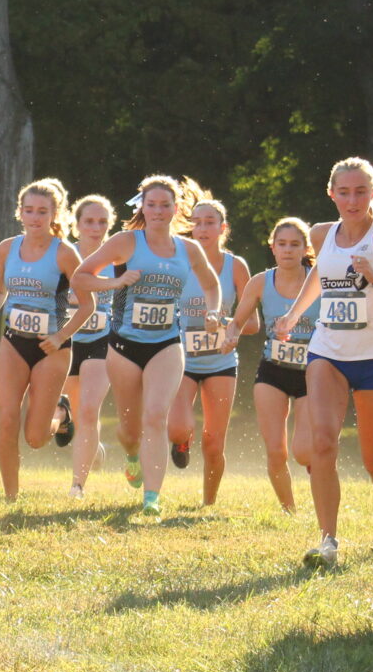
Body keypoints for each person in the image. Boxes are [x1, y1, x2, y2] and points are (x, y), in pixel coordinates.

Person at [276, 158, 373, 567]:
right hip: (327, 351)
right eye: (343, 192)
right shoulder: (321, 233)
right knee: (321, 443)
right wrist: (294, 315)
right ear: (331, 194)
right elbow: (320, 278)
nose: (352, 200)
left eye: (360, 191)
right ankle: (328, 541)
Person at [71, 176, 221, 517]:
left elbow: (211, 285)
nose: (157, 211)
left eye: (165, 205)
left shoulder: (189, 249)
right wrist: (116, 281)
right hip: (124, 345)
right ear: (142, 207)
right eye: (151, 204)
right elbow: (81, 277)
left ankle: (152, 497)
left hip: (167, 343)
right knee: (129, 429)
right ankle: (132, 456)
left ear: (176, 209)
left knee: (157, 415)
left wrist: (213, 310)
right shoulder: (125, 242)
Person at [0, 178, 90, 502]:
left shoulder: (65, 254)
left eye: (42, 212)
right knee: (7, 418)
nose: (35, 217)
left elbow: (88, 305)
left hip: (51, 348)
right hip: (14, 341)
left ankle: (61, 414)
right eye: (29, 211)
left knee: (35, 438)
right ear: (19, 213)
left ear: (54, 214)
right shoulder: (7, 248)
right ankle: (11, 496)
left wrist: (60, 336)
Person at [226, 218, 318, 514]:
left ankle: (321, 482)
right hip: (272, 371)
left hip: (313, 374)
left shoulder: (318, 280)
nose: (288, 250)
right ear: (273, 247)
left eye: (294, 244)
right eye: (282, 244)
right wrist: (229, 334)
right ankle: (289, 510)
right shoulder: (261, 282)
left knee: (304, 451)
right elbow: (238, 322)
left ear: (305, 249)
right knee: (276, 451)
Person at [167, 195, 250, 507]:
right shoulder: (177, 262)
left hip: (221, 362)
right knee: (177, 428)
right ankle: (181, 442)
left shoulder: (236, 266)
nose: (202, 229)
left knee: (214, 443)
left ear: (222, 228)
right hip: (180, 359)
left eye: (209, 223)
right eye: (196, 223)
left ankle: (208, 504)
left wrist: (229, 325)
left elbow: (252, 321)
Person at [65, 195, 117, 499]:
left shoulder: (118, 260)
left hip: (102, 342)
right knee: (76, 412)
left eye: (102, 222)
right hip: (66, 340)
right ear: (77, 224)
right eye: (89, 222)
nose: (95, 228)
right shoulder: (63, 255)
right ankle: (94, 448)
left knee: (88, 410)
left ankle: (77, 486)